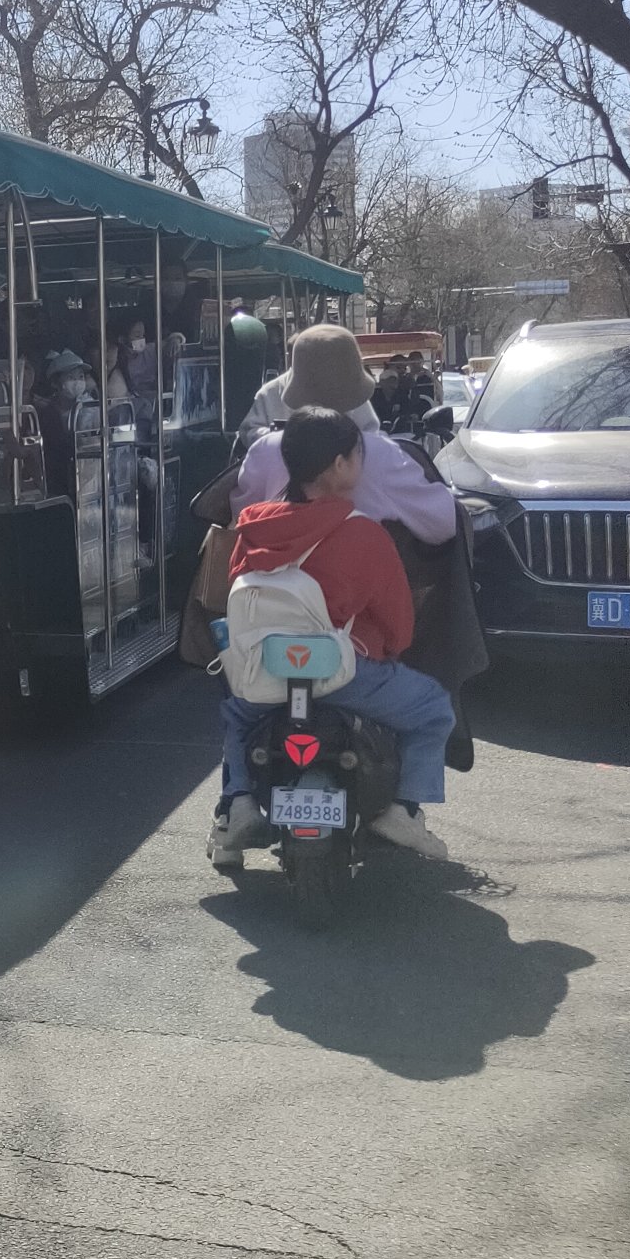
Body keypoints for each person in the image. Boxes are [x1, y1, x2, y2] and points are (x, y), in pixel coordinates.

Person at [211, 407, 457, 868]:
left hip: (264, 672)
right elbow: (398, 627)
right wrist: (387, 653)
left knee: (236, 718)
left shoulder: (253, 527)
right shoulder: (362, 533)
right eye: (355, 455)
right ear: (342, 465)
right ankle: (402, 810)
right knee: (432, 711)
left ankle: (238, 805)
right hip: (345, 672)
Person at [234, 324, 458, 546]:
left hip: (276, 580)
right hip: (355, 580)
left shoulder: (264, 451)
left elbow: (240, 518)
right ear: (356, 392)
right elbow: (443, 523)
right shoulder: (377, 454)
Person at [35, 348, 93, 499]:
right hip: (60, 486)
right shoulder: (48, 414)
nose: (77, 382)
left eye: (80, 377)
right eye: (71, 377)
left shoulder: (89, 408)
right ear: (55, 383)